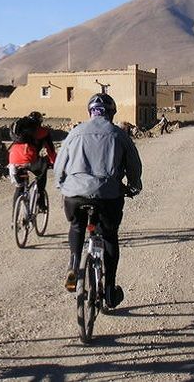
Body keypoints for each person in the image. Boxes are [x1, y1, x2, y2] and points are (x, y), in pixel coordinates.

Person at [54, 94, 142, 309]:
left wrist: (61, 184)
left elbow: (59, 165)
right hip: (108, 196)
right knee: (109, 236)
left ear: (89, 112)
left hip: (74, 195)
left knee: (77, 225)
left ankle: (74, 266)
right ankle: (110, 289)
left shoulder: (74, 133)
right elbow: (133, 166)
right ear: (112, 113)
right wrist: (134, 186)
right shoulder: (119, 134)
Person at [8, 111, 57, 210]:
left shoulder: (20, 133)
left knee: (19, 187)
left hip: (13, 158)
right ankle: (40, 203)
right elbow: (51, 151)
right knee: (41, 171)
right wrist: (54, 163)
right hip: (29, 159)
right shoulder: (43, 132)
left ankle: (14, 220)